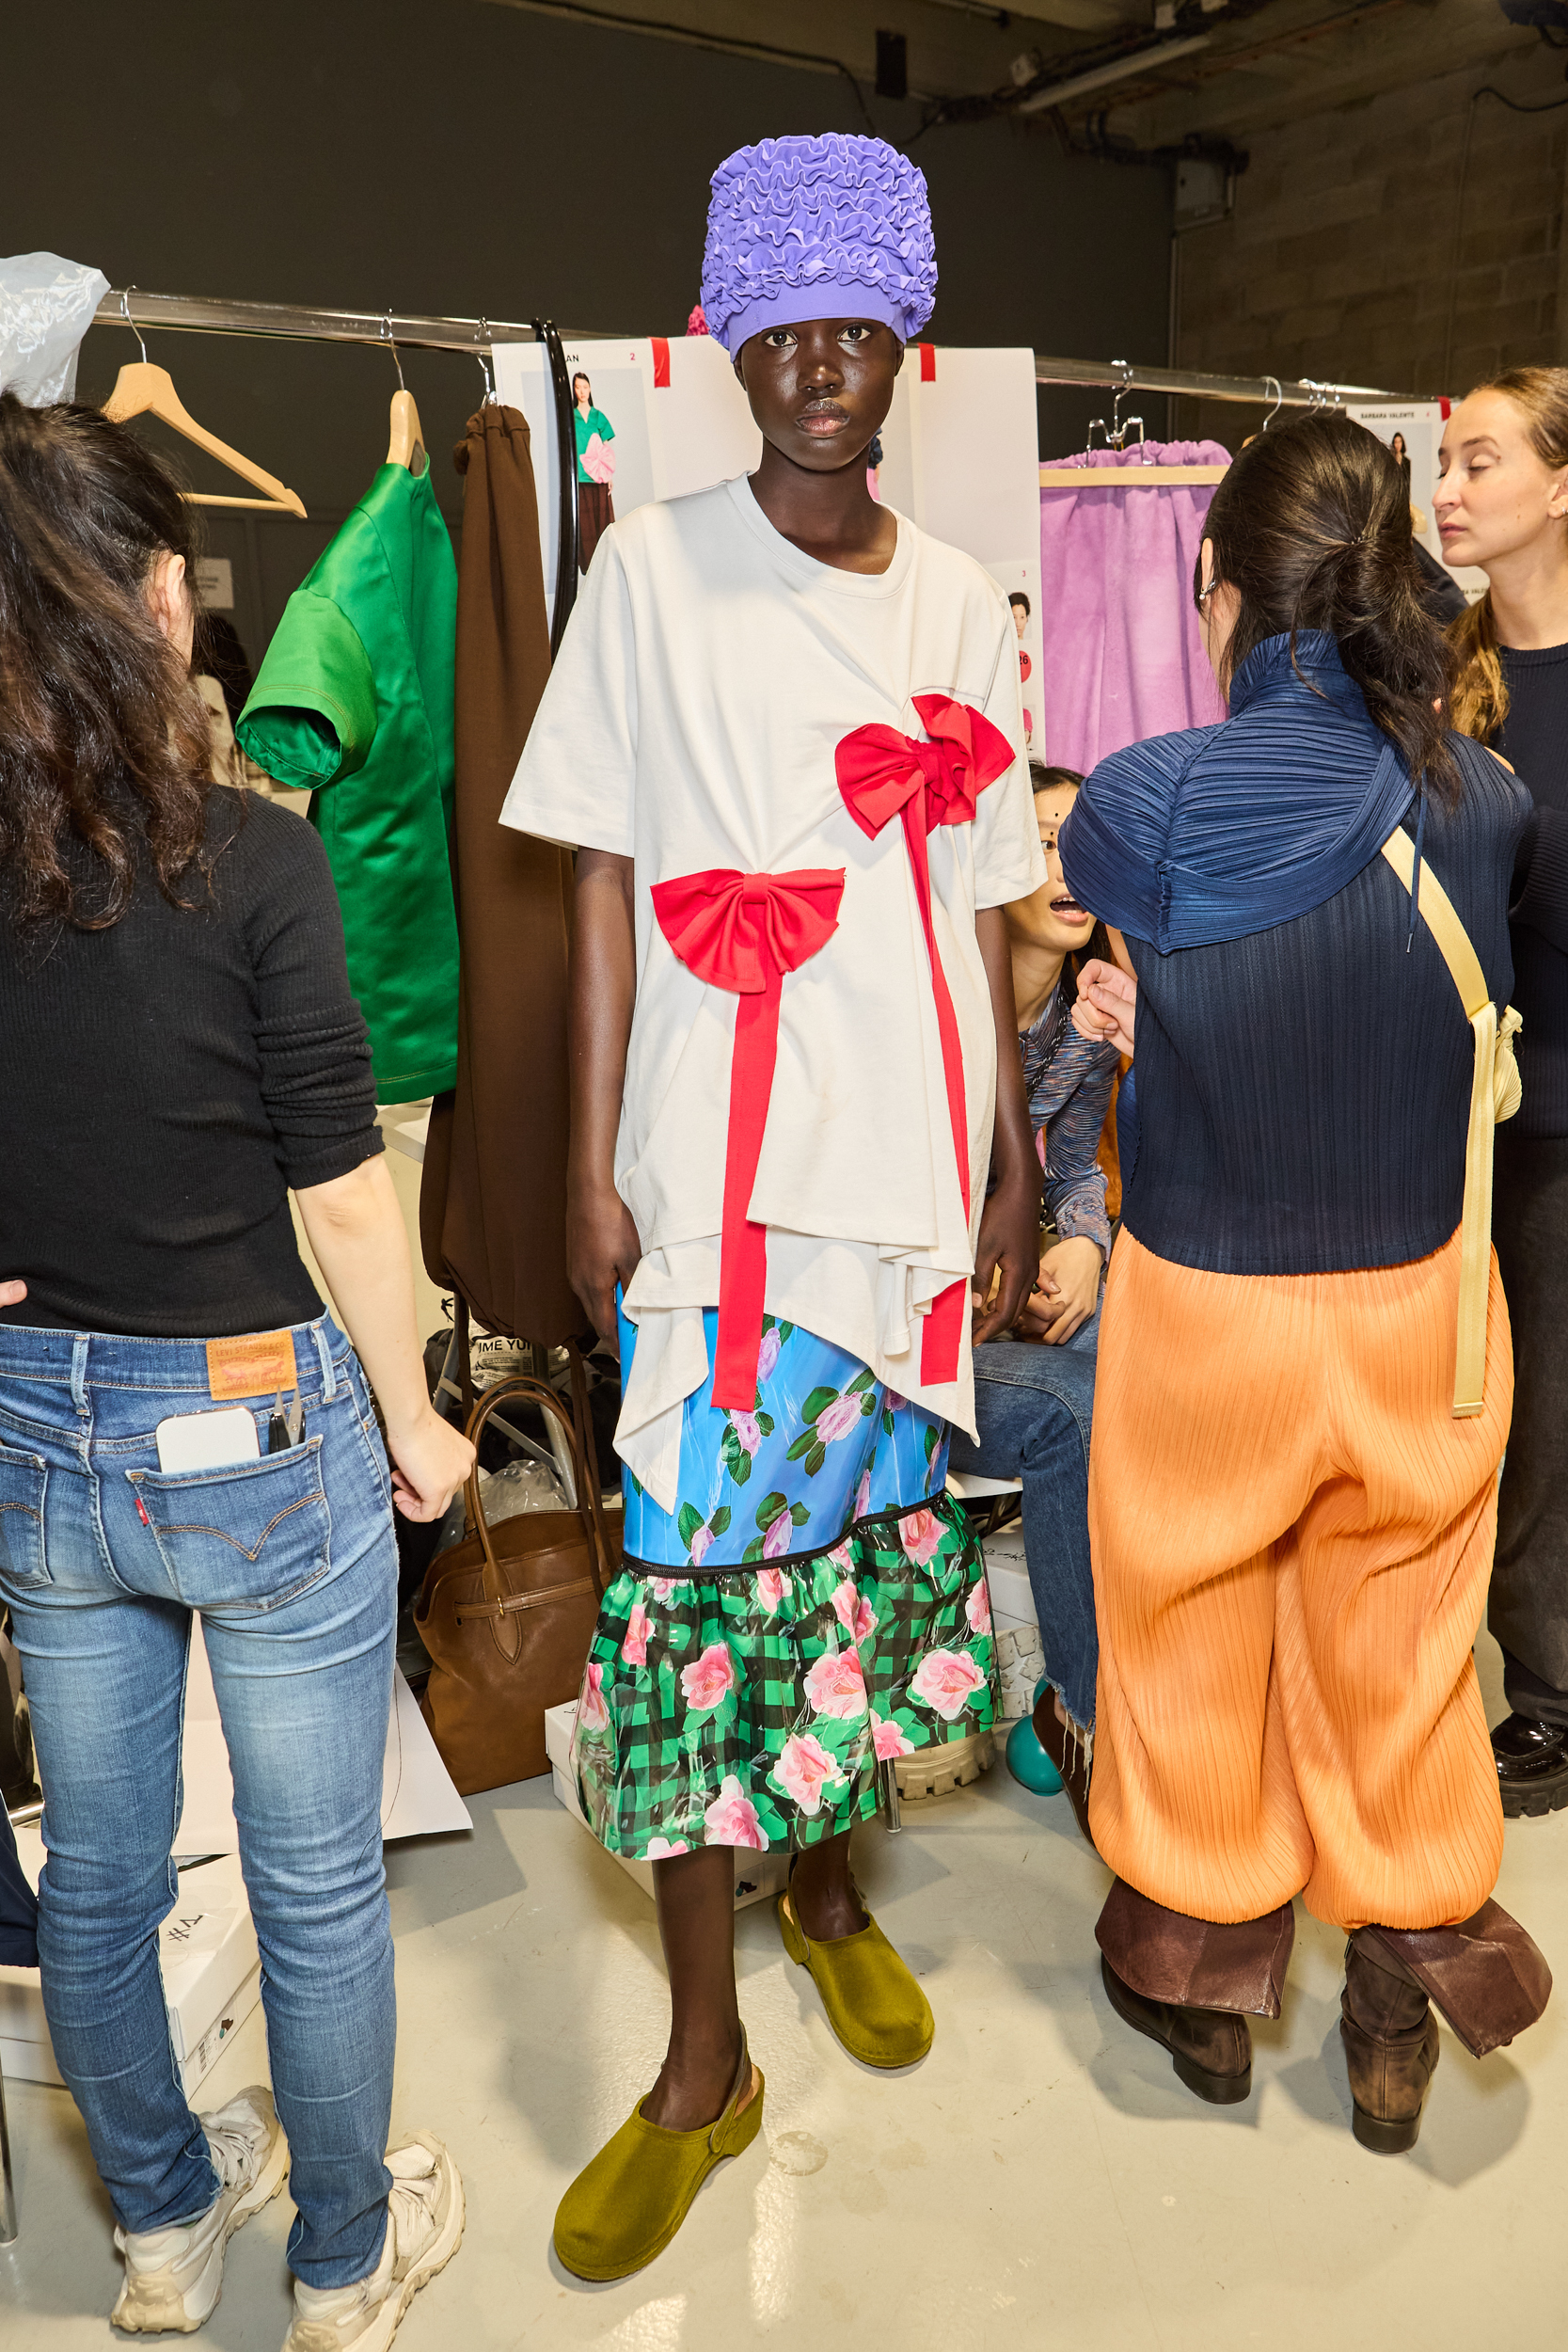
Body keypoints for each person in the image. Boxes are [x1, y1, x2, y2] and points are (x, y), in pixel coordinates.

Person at [501, 131, 1044, 2280]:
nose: (823, 357)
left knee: (867, 1582)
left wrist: (1008, 1158)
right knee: (702, 1616)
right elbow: (607, 877)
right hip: (717, 1194)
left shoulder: (956, 596)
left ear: (904, 339)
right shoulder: (651, 562)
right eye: (782, 320)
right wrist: (585, 1157)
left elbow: (994, 911)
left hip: (899, 1192)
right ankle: (702, 2059)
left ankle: (833, 1892)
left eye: (860, 319)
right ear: (733, 340)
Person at [0, 393, 473, 2346]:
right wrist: (425, 1416)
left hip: (39, 1422)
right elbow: (347, 1196)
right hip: (260, 1417)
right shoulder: (256, 862)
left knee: (100, 1885)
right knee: (310, 1887)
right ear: (167, 599)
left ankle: (166, 2231)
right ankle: (347, 2256)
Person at [1062, 410, 1549, 2155]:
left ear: (1216, 588)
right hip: (1425, 1309)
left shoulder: (1145, 799)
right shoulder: (1483, 800)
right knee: (1408, 1646)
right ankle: (1398, 2005)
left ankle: (1202, 1988)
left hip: (1214, 1316)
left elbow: (1116, 899)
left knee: (1191, 1636)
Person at [1437, 367, 1568, 1813]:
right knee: (1466, 1405)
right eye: (1443, 461)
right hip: (1458, 1103)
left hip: (1563, 1110)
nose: (1450, 488)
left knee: (1543, 1414)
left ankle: (1545, 1693)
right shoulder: (1436, 670)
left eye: (1479, 461)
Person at [948, 761, 1117, 1832]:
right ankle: (1090, 1713)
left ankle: (1153, 1676)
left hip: (1012, 1305)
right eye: (1043, 841)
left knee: (1148, 1346)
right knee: (1072, 1408)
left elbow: (1073, 1177)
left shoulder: (1080, 1014)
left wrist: (1087, 1248)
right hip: (916, 1334)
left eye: (1084, 844)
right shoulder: (937, 1008)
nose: (1068, 869)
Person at [572, 369, 616, 571]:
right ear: (574, 391)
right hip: (579, 477)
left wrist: (609, 475)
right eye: (578, 387)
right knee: (585, 525)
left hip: (598, 477)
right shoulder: (570, 417)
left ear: (590, 389)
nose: (582, 391)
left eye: (585, 387)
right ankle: (589, 569)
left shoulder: (598, 416)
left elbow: (606, 447)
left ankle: (606, 566)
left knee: (602, 523)